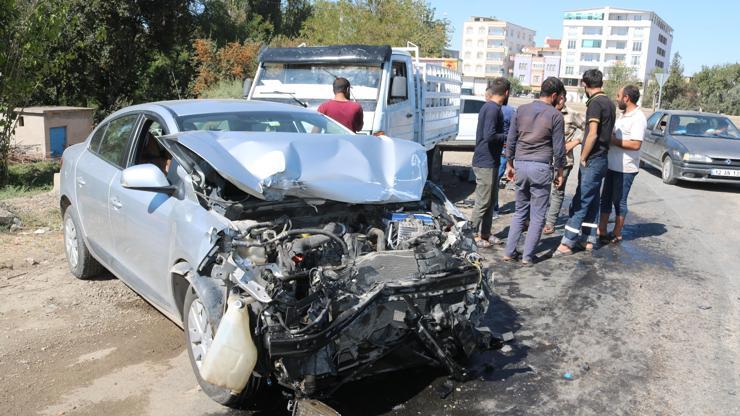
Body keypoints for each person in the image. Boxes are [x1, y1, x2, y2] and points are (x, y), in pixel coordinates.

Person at [503, 77, 566, 265]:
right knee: (538, 214)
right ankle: (527, 256)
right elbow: (559, 148)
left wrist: (509, 164)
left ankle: (509, 252)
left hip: (521, 165)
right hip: (541, 167)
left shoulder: (521, 110)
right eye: (559, 97)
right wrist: (560, 172)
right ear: (554, 95)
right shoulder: (555, 116)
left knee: (520, 211)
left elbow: (511, 139)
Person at [555, 69, 616, 255]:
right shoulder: (610, 103)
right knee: (593, 199)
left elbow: (593, 134)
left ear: (584, 84)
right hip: (602, 158)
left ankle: (567, 243)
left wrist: (583, 156)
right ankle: (588, 239)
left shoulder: (596, 104)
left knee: (581, 199)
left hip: (593, 158)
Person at [597, 85, 647, 243]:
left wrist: (613, 140)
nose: (616, 98)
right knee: (605, 199)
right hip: (611, 165)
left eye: (618, 96)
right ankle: (602, 230)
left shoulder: (638, 118)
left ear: (627, 98)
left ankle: (617, 232)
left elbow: (635, 144)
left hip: (625, 168)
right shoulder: (622, 115)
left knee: (619, 201)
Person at [470, 78, 510, 248]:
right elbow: (489, 135)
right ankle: (471, 235)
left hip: (491, 161)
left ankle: (485, 233)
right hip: (484, 162)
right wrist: (508, 137)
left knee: (491, 200)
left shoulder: (493, 108)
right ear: (506, 93)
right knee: (483, 201)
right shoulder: (492, 109)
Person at [542, 96, 584, 234]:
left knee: (557, 191)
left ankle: (550, 223)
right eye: (557, 98)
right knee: (540, 191)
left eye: (562, 98)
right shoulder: (545, 111)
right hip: (543, 158)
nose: (560, 101)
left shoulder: (572, 114)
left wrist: (576, 141)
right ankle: (534, 219)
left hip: (564, 160)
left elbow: (589, 129)